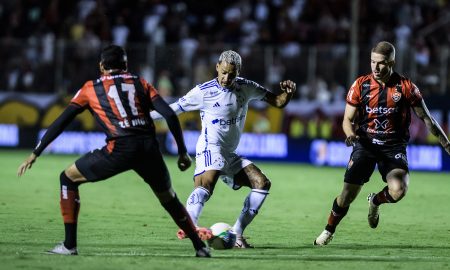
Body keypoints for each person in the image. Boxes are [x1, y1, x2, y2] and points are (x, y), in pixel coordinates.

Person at [17, 45, 211, 257]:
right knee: (169, 198)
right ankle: (199, 247)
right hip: (149, 149)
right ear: (125, 65)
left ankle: (69, 245)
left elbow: (62, 121)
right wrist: (182, 152)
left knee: (68, 178)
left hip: (119, 148)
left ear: (101, 66)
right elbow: (170, 115)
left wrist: (36, 152)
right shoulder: (140, 82)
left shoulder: (90, 88)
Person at [151, 50, 296, 248]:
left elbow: (277, 102)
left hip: (229, 153)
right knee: (206, 184)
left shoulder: (247, 87)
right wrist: (140, 118)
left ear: (238, 72)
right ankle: (189, 224)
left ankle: (237, 233)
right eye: (224, 72)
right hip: (210, 146)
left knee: (262, 183)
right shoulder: (203, 91)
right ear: (217, 66)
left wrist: (287, 94)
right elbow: (173, 109)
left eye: (232, 74)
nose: (226, 78)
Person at [314, 41, 450, 245]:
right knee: (346, 196)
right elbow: (346, 119)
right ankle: (329, 230)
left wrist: (447, 144)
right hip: (365, 145)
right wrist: (350, 134)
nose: (375, 68)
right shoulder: (361, 85)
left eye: (381, 63)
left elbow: (427, 119)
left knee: (398, 190)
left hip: (393, 147)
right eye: (372, 62)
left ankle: (375, 201)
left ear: (392, 62)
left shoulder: (406, 87)